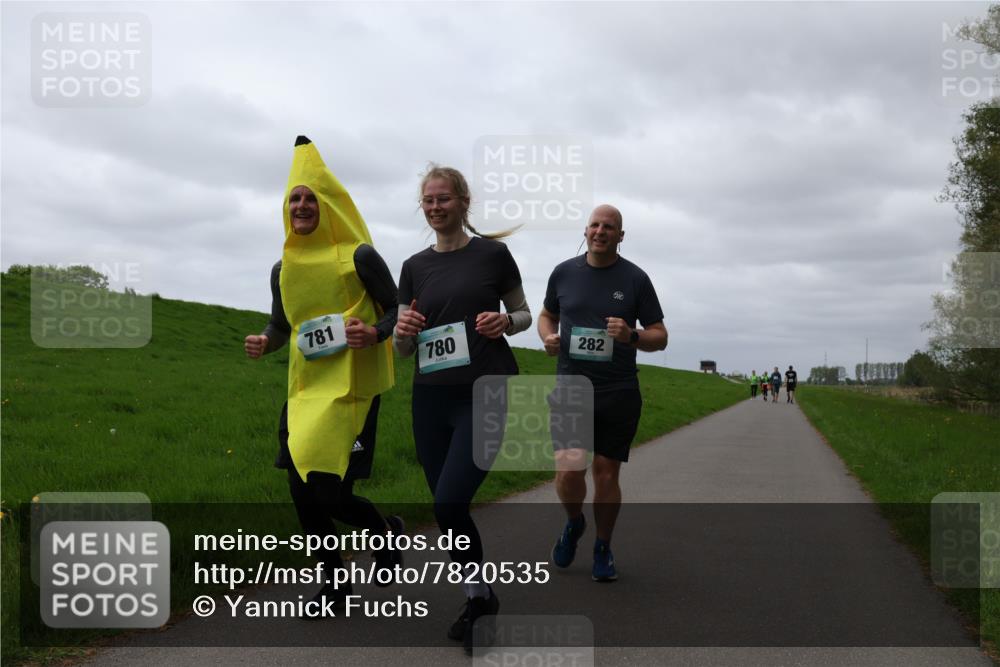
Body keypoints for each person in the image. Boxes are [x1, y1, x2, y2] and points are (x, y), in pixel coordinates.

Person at [244, 136, 402, 615]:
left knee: (330, 494)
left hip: (352, 394)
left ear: (327, 206)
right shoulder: (282, 267)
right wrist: (265, 341)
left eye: (311, 197)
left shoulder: (359, 257)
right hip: (304, 392)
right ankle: (335, 585)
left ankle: (384, 532)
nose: (302, 204)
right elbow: (281, 323)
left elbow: (396, 309)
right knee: (302, 495)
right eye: (295, 197)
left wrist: (373, 333)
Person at [393, 164, 531, 653]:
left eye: (444, 199)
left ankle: (479, 596)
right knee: (446, 507)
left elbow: (524, 313)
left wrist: (504, 321)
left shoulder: (493, 254)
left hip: (485, 391)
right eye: (428, 200)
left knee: (450, 502)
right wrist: (400, 332)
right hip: (430, 397)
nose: (435, 207)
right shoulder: (413, 266)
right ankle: (479, 595)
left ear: (463, 202)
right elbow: (403, 349)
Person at [538, 204, 667, 583]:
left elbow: (660, 335)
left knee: (606, 474)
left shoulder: (635, 279)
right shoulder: (563, 273)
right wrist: (547, 335)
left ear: (620, 236)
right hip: (570, 387)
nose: (600, 231)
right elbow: (547, 314)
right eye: (594, 224)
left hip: (618, 390)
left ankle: (603, 546)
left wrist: (633, 335)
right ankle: (575, 522)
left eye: (609, 226)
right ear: (585, 230)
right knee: (567, 471)